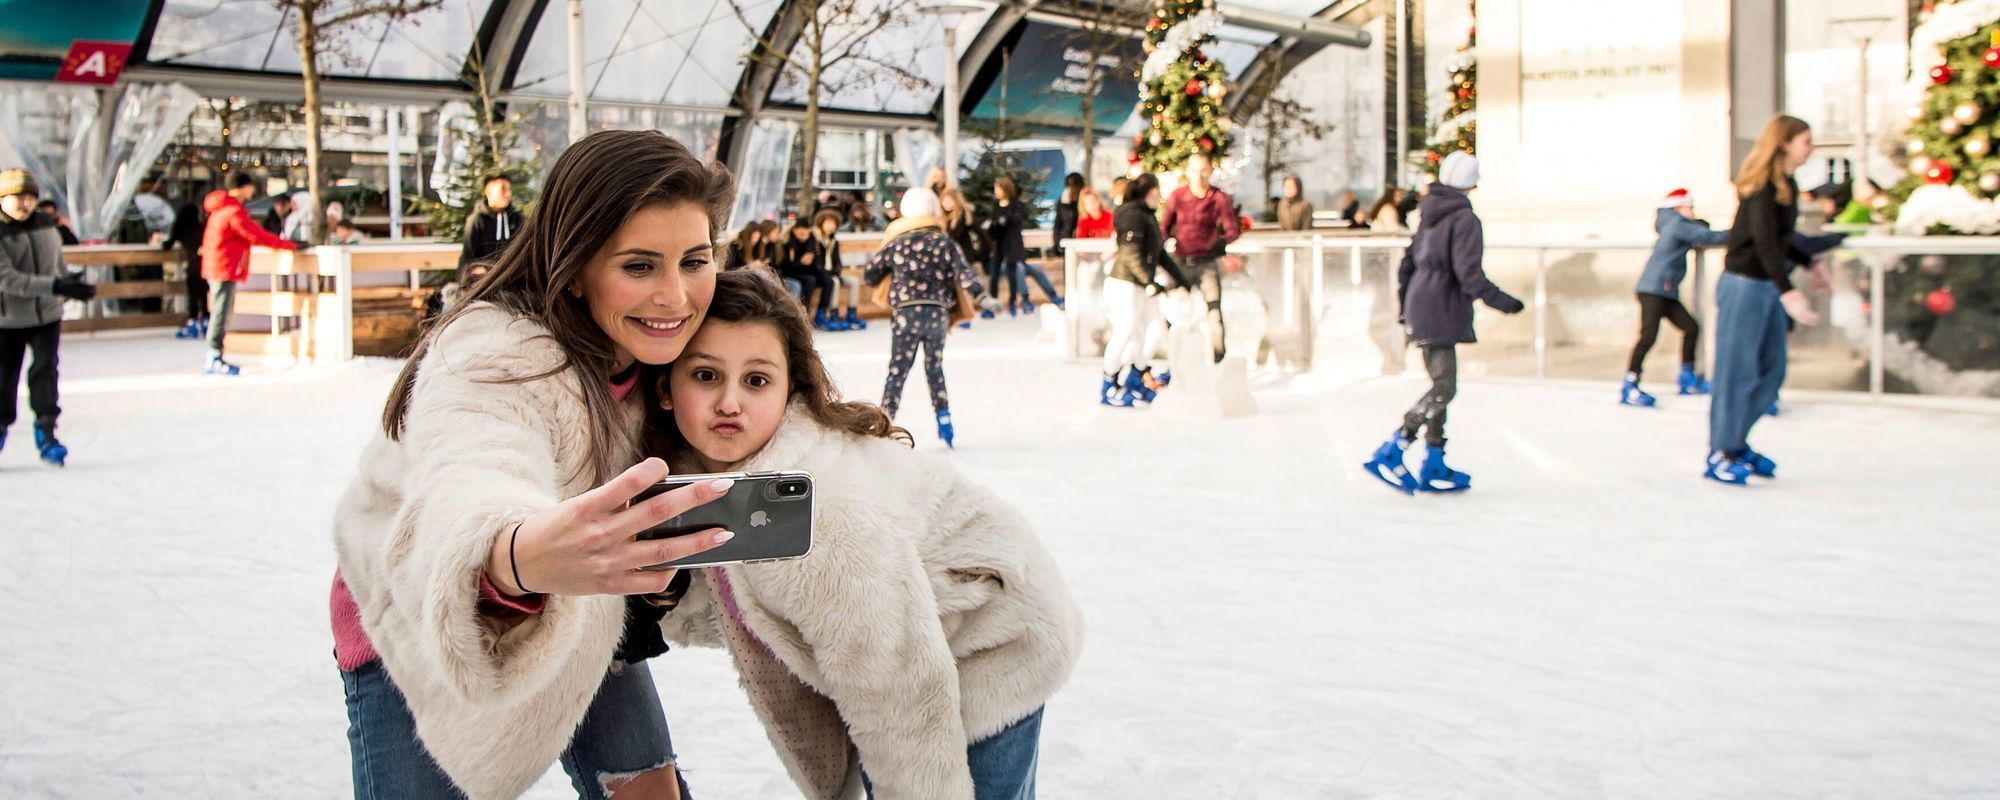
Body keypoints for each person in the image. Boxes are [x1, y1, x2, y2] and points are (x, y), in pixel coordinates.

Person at [330, 130, 739, 800]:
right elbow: (475, 467)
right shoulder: (495, 351)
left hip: (587, 589)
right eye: (639, 267)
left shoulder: (694, 350)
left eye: (694, 260)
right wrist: (510, 555)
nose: (675, 297)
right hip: (421, 613)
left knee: (648, 792)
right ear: (577, 264)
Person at [650, 268, 1080, 800]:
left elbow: (896, 684)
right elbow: (753, 608)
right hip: (920, 637)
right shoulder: (713, 481)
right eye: (706, 376)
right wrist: (665, 593)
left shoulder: (824, 508)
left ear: (791, 389)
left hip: (995, 637)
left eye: (756, 380)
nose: (730, 402)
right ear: (666, 387)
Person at [1361, 153, 1525, 494]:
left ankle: (1434, 459)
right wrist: (1507, 303)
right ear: (1472, 184)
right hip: (1441, 307)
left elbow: (1408, 264)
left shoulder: (1430, 213)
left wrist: (1407, 306)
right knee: (1444, 387)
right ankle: (1396, 446)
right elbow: (1469, 276)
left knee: (1440, 384)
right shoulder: (1464, 219)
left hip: (1423, 305)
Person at [1707, 115, 1827, 485]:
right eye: (1805, 140)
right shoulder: (1760, 186)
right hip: (1745, 284)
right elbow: (1762, 240)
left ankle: (1737, 442)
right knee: (1737, 372)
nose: (1811, 148)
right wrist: (1789, 290)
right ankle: (1721, 451)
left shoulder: (1785, 185)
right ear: (1784, 143)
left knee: (1771, 371)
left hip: (1767, 286)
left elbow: (1781, 238)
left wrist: (1810, 264)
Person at [865, 187, 981, 447]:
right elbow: (965, 275)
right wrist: (982, 297)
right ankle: (944, 420)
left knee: (898, 369)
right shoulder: (945, 242)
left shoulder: (897, 243)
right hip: (937, 313)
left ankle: (885, 421)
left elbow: (870, 275)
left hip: (906, 312)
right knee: (934, 367)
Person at [1, 169, 95, 466]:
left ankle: (46, 431)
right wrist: (56, 285)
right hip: (7, 319)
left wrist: (69, 283)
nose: (25, 203)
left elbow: (56, 264)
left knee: (45, 371)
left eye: (30, 197)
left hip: (47, 316)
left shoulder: (46, 225)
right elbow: (7, 279)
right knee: (4, 378)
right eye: (17, 197)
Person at [1622, 188, 1729, 407]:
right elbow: (1708, 237)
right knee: (1648, 336)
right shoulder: (1678, 225)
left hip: (1664, 290)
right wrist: (1742, 233)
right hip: (1654, 290)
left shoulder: (1673, 224)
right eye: (1690, 207)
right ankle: (1630, 384)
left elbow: (1701, 229)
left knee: (1690, 327)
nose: (1692, 211)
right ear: (1679, 207)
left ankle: (1687, 378)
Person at [1102, 173, 1191, 408]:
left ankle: (1136, 376)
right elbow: (1130, 252)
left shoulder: (1147, 216)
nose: (1160, 196)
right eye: (1157, 191)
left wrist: (1181, 279)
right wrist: (1148, 281)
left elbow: (1159, 253)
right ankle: (1109, 383)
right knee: (1126, 330)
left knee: (1155, 330)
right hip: (1125, 283)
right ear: (1150, 191)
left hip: (1143, 284)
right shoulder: (1132, 214)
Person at [198, 171, 298, 376]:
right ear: (242, 187)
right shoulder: (232, 211)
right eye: (251, 185)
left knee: (221, 311)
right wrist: (287, 245)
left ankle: (215, 354)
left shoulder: (222, 210)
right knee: (221, 312)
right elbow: (255, 234)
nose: (253, 190)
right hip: (225, 267)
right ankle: (214, 356)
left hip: (220, 266)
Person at [1160, 152, 1241, 362]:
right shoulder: (1178, 196)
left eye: (1204, 170)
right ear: (1188, 171)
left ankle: (1218, 356)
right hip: (1180, 262)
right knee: (1173, 311)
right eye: (1195, 170)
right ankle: (1173, 356)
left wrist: (1221, 242)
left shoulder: (1218, 198)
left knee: (1214, 311)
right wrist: (1166, 243)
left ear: (1211, 170)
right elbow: (1164, 227)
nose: (1200, 175)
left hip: (1207, 263)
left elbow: (1233, 229)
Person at [779, 217, 841, 330]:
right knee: (810, 281)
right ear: (795, 230)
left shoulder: (814, 243)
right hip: (793, 273)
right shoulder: (788, 244)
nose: (803, 235)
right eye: (800, 233)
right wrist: (800, 262)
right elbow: (784, 267)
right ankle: (804, 312)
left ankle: (821, 313)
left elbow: (818, 263)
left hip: (811, 271)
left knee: (828, 280)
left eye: (805, 232)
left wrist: (815, 264)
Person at [166, 185, 209, 339]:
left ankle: (193, 323)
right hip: (205, 266)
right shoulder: (203, 229)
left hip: (192, 266)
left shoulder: (182, 230)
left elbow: (168, 244)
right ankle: (205, 321)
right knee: (204, 295)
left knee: (193, 295)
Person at [813, 208, 867, 330]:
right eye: (828, 223)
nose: (831, 226)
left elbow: (838, 262)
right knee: (835, 282)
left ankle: (851, 313)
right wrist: (828, 274)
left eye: (833, 223)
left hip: (832, 273)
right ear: (821, 223)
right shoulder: (816, 240)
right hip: (820, 274)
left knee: (853, 280)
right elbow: (816, 263)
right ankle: (833, 314)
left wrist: (836, 272)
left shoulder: (834, 241)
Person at [459, 173, 525, 272]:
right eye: (503, 189)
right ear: (488, 192)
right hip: (485, 279)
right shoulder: (476, 220)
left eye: (509, 189)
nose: (508, 194)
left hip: (513, 276)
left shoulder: (516, 218)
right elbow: (467, 259)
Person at [1053, 172, 1084, 253]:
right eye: (1069, 185)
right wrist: (1057, 240)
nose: (1072, 188)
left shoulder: (1085, 200)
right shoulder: (1063, 201)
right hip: (1066, 238)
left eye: (1074, 185)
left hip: (1081, 239)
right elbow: (1058, 222)